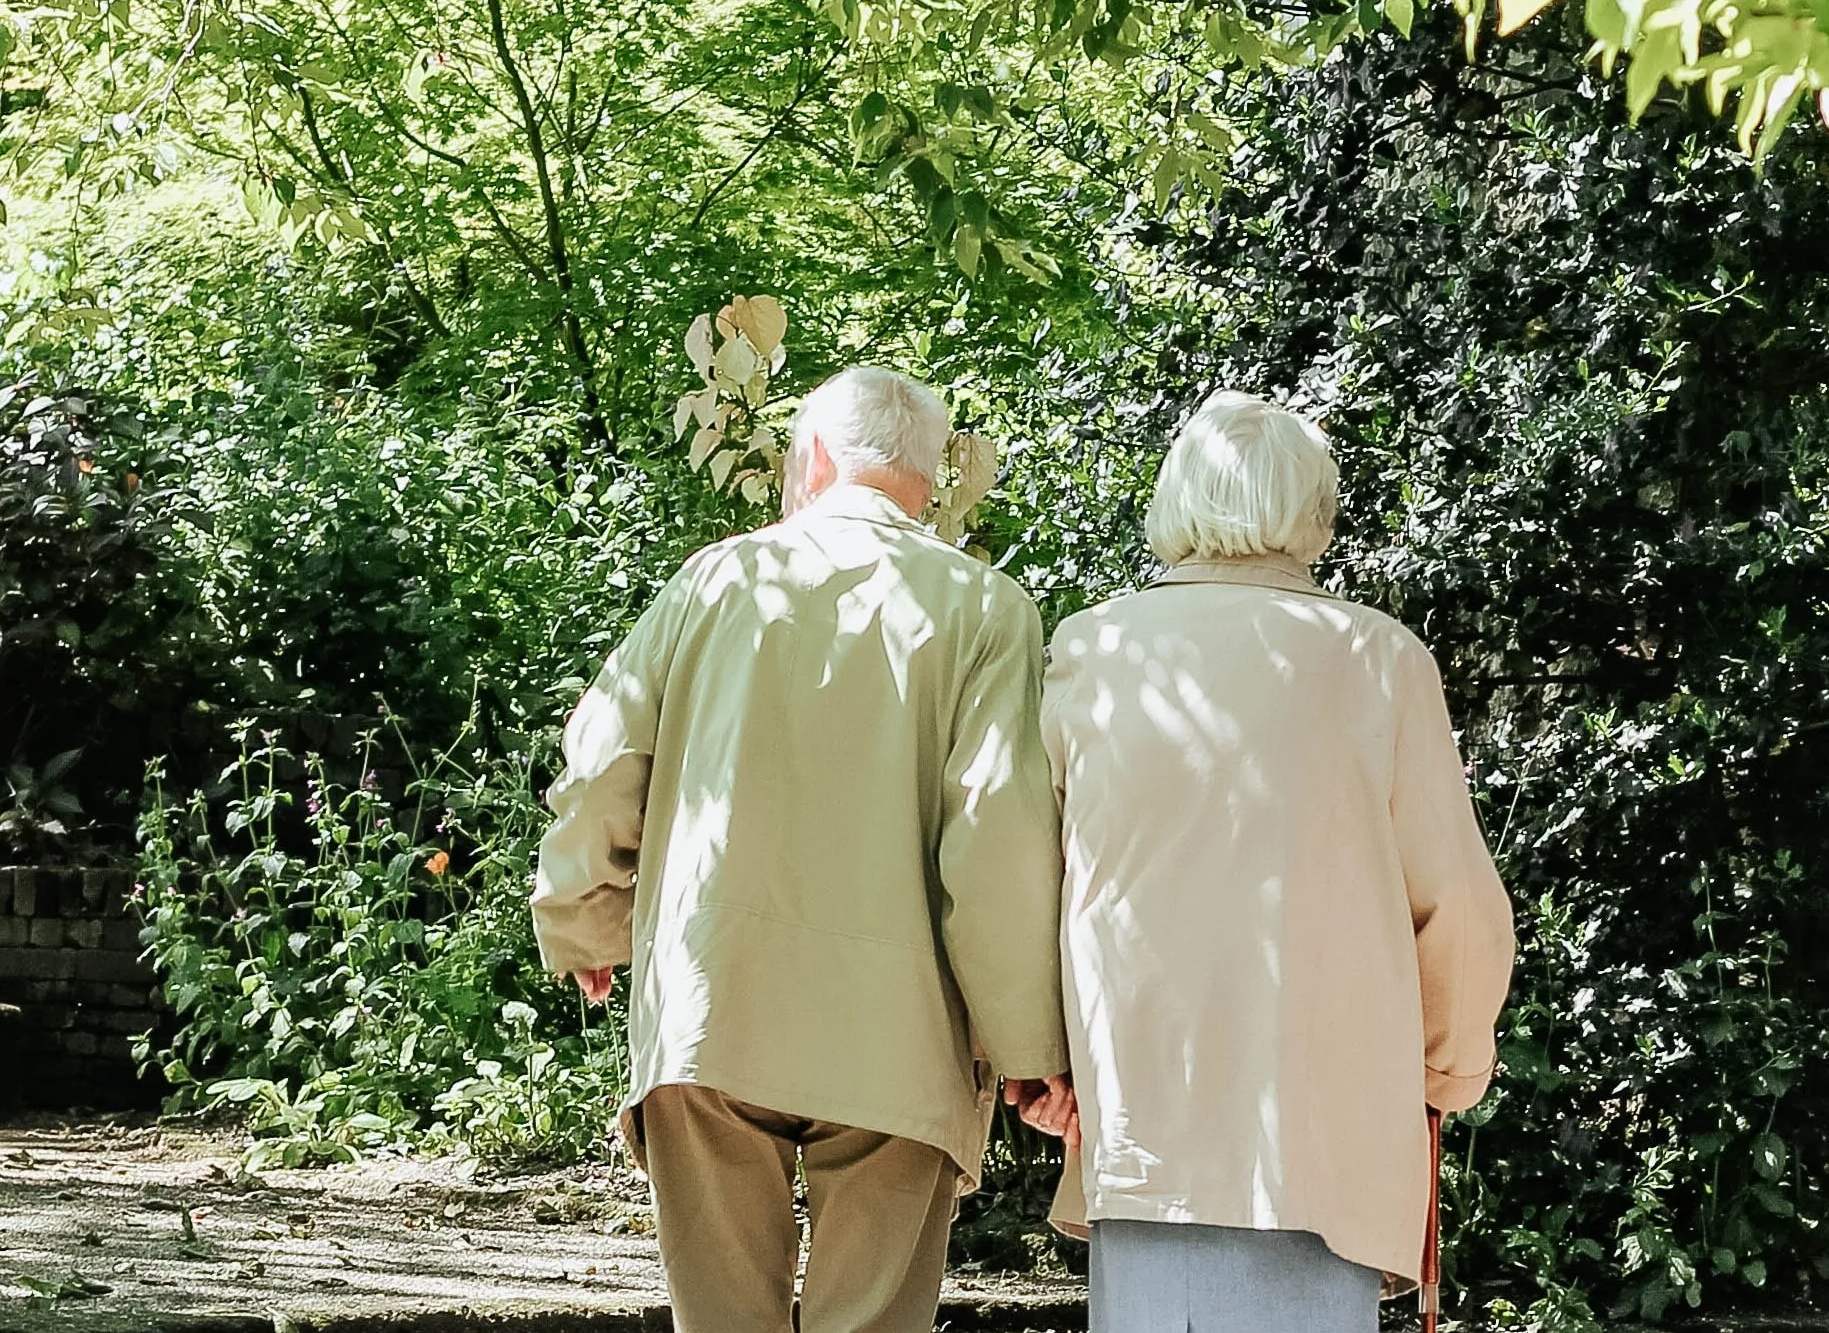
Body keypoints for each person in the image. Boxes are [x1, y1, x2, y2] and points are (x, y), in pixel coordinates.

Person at [531, 366, 1074, 1333]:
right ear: (931, 477)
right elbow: (994, 838)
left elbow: (604, 758)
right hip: (896, 1033)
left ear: (815, 456)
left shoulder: (717, 577)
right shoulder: (986, 609)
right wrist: (1028, 1043)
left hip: (712, 999)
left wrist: (584, 919)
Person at [1038, 391, 1516, 1333]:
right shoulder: (1376, 658)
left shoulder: (1094, 648)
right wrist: (1445, 1070)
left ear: (1177, 499)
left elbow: (1035, 875)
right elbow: (1455, 898)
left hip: (1141, 1104)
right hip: (1325, 1121)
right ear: (1312, 509)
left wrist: (1037, 1061)